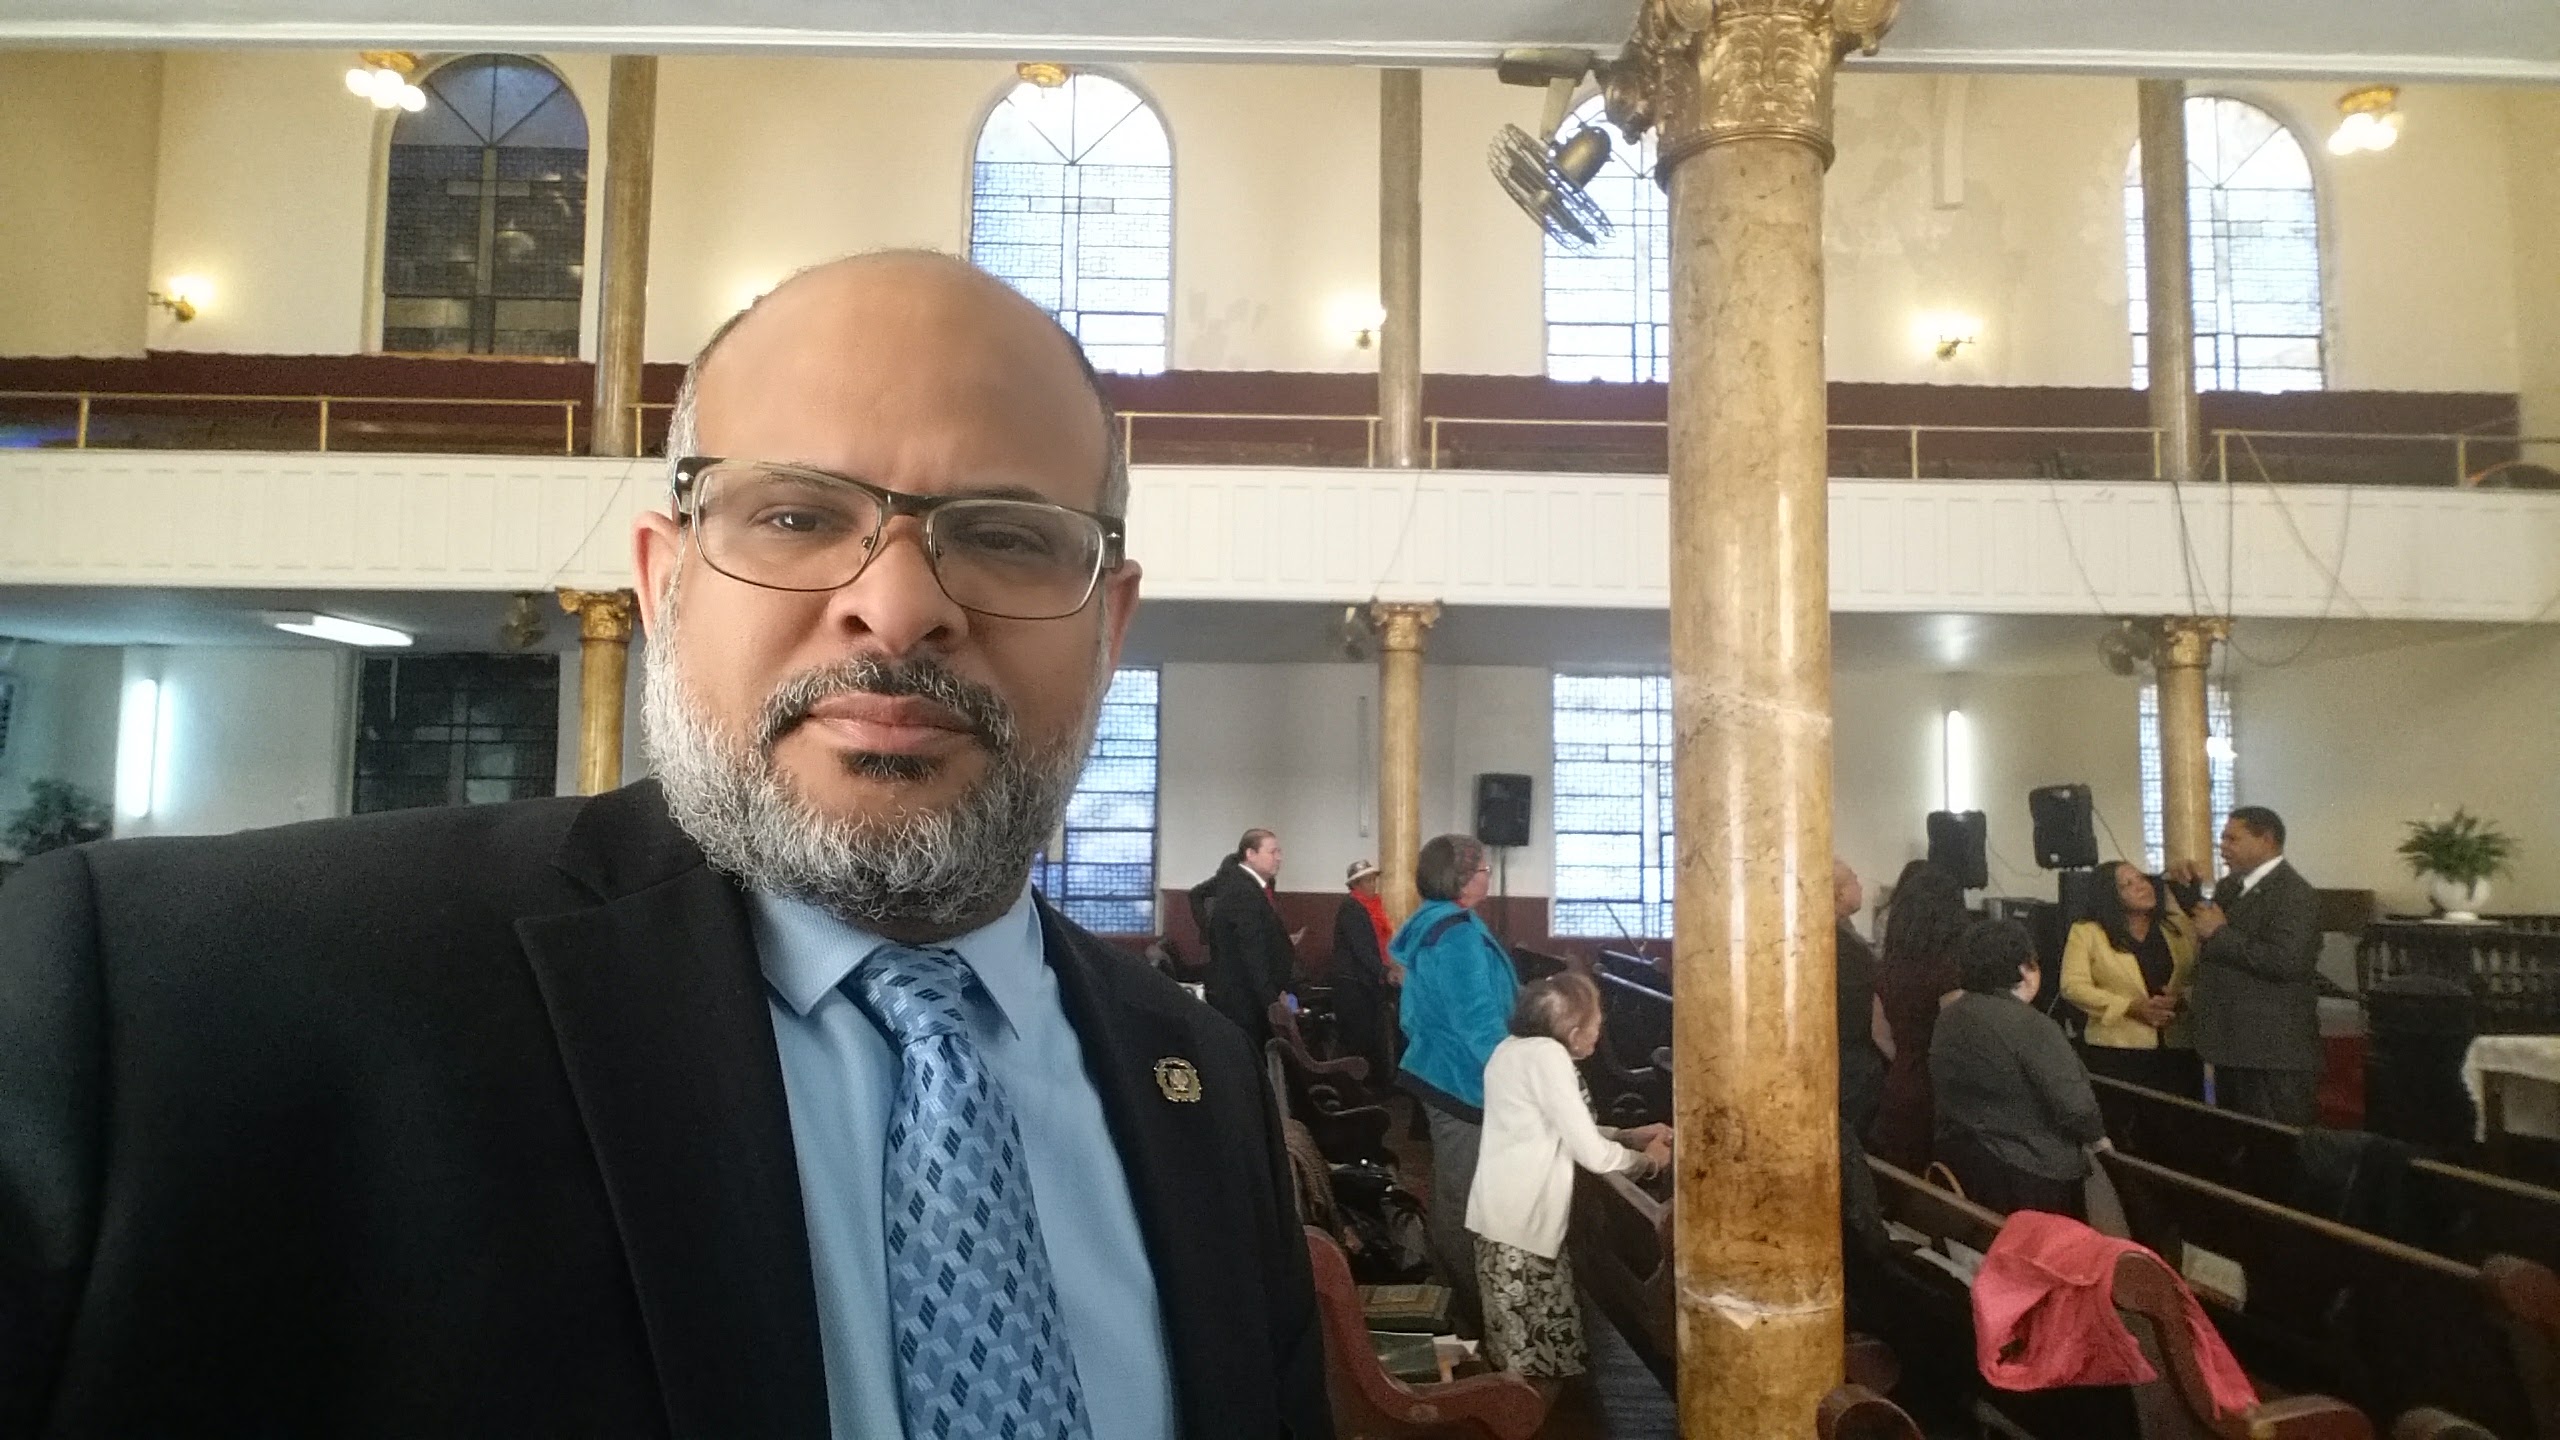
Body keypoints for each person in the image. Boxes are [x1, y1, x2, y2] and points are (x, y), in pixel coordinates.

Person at [0, 253, 1329, 1440]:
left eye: (1004, 536)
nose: (897, 607)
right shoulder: (163, 1004)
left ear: (1109, 627)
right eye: (797, 515)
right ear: (660, 583)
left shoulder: (1198, 1081)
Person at [1467, 973, 1670, 1388]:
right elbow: (1591, 1153)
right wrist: (1648, 1162)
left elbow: (1555, 1128)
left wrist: (1628, 1135)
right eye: (1596, 1022)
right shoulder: (1548, 1057)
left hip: (1503, 1220)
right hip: (1521, 1228)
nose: (1599, 1031)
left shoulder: (1512, 1049)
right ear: (1574, 1031)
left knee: (1523, 1353)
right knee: (1533, 1363)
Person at [1393, 832, 1518, 1330]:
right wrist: (1517, 1073)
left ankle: (1452, 1299)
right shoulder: (1456, 933)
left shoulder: (1437, 923)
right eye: (1483, 868)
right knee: (1462, 1199)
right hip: (1462, 1079)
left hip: (1444, 1072)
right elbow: (1477, 1020)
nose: (1488, 875)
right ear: (1462, 879)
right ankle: (1469, 1313)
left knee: (1453, 1188)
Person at [1932, 920, 2109, 1218]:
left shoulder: (1951, 1015)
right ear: (2025, 969)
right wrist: (2100, 1141)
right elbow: (2076, 1107)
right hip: (2032, 1171)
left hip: (1965, 1159)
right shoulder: (2033, 1026)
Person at [2174, 806, 2324, 1126]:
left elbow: (2288, 961)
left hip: (2271, 1049)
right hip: (2232, 1042)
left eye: (2232, 839)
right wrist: (2180, 883)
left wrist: (2221, 933)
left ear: (2266, 840)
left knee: (2273, 1140)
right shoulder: (2231, 886)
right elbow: (2206, 921)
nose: (2222, 847)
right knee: (2237, 1136)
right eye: (2222, 839)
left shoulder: (2294, 894)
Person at [2060, 860, 2201, 1098]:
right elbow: (2072, 986)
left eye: (2142, 879)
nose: (2142, 887)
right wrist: (2130, 1007)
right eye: (2128, 884)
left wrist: (2181, 999)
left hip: (2178, 1045)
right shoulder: (2087, 932)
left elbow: (2199, 975)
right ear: (2110, 896)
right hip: (2117, 1049)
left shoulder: (2176, 927)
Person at [1868, 860, 1970, 1170]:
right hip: (1940, 1095)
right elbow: (1956, 1041)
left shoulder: (1888, 969)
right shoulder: (1951, 972)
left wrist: (1909, 1057)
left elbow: (1879, 1034)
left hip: (1900, 1084)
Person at [1834, 859, 1894, 1257]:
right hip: (1854, 1061)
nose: (1860, 883)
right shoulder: (1849, 949)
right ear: (1838, 893)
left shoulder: (1835, 938)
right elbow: (1876, 1022)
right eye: (1854, 879)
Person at [1200, 827, 1295, 1051]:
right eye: (1272, 852)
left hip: (1251, 996)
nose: (1279, 858)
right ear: (1251, 854)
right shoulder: (1242, 891)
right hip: (1245, 1001)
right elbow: (1252, 952)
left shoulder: (1247, 886)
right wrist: (1271, 1002)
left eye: (1279, 852)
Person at [1329, 858, 1402, 1081]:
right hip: (1353, 986)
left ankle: (1371, 1084)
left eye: (1373, 880)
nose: (1373, 884)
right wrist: (1385, 972)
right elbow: (1361, 950)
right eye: (1368, 880)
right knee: (1359, 1040)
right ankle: (1359, 1087)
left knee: (1371, 1038)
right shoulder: (1352, 909)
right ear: (1356, 884)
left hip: (1365, 983)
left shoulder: (1369, 908)